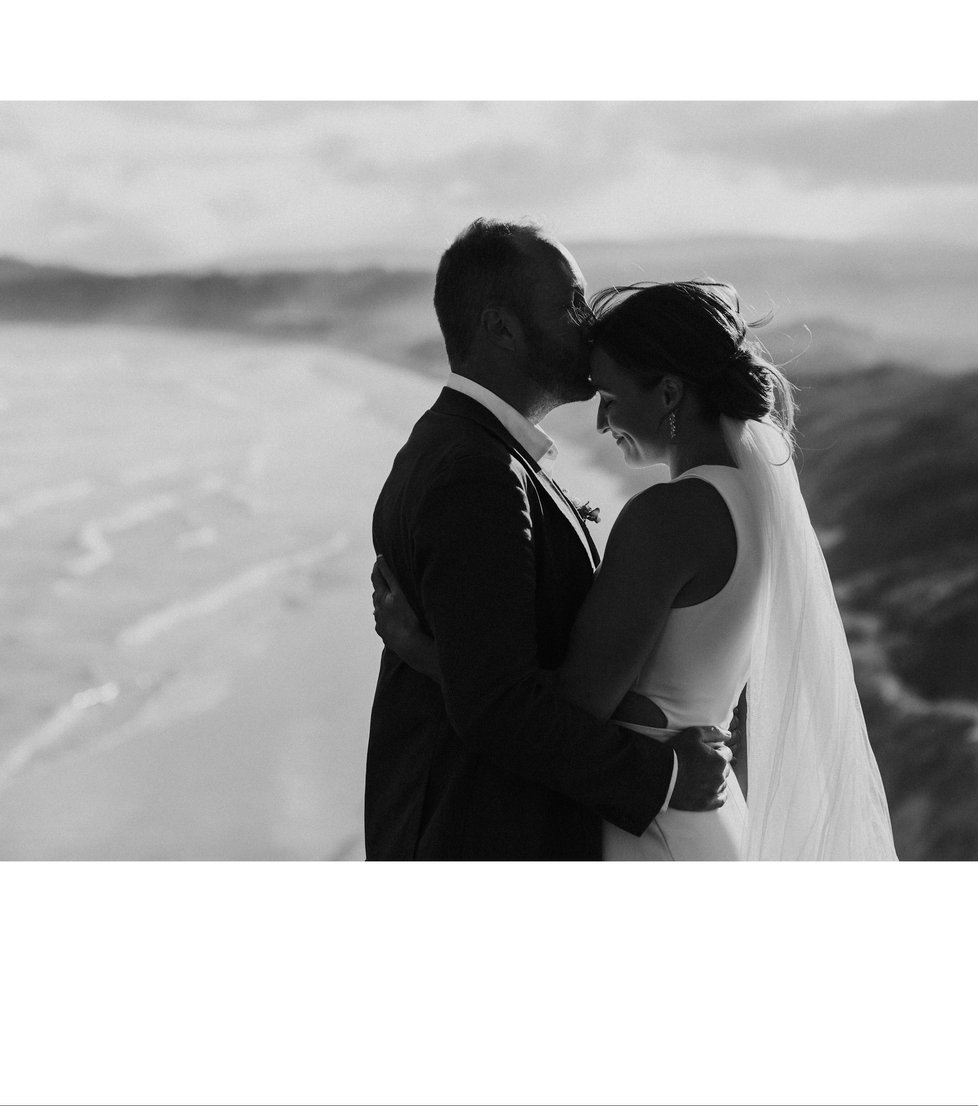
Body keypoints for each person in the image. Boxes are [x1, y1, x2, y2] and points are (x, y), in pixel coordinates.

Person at [374, 277, 897, 860]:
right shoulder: (755, 503)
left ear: (669, 394)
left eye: (612, 397)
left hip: (652, 827)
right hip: (698, 817)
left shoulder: (669, 517)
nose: (601, 421)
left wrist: (422, 650)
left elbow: (575, 705)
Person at [361, 219, 730, 860]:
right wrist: (664, 775)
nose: (588, 325)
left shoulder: (473, 450)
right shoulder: (475, 474)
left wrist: (422, 651)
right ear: (501, 328)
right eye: (569, 305)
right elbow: (500, 708)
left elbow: (494, 684)